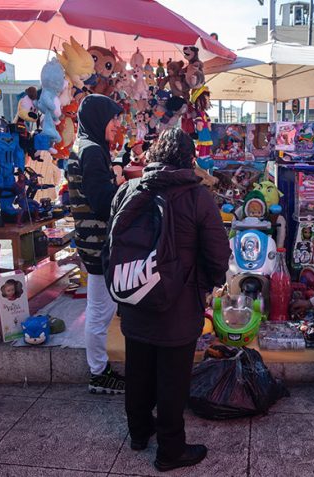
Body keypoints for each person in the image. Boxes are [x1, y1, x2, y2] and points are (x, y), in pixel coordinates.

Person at [110, 129, 230, 472]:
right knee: (172, 379)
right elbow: (217, 253)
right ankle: (170, 450)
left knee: (138, 368)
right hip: (178, 303)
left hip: (134, 295)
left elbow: (112, 247)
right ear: (189, 158)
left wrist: (123, 287)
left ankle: (138, 432)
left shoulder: (127, 190)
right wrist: (204, 284)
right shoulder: (197, 196)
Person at [67, 94, 125, 394]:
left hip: (93, 242)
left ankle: (99, 370)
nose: (117, 124)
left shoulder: (88, 147)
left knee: (100, 308)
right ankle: (99, 373)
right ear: (98, 118)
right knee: (100, 312)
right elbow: (104, 203)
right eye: (113, 118)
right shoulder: (91, 152)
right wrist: (122, 184)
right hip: (97, 243)